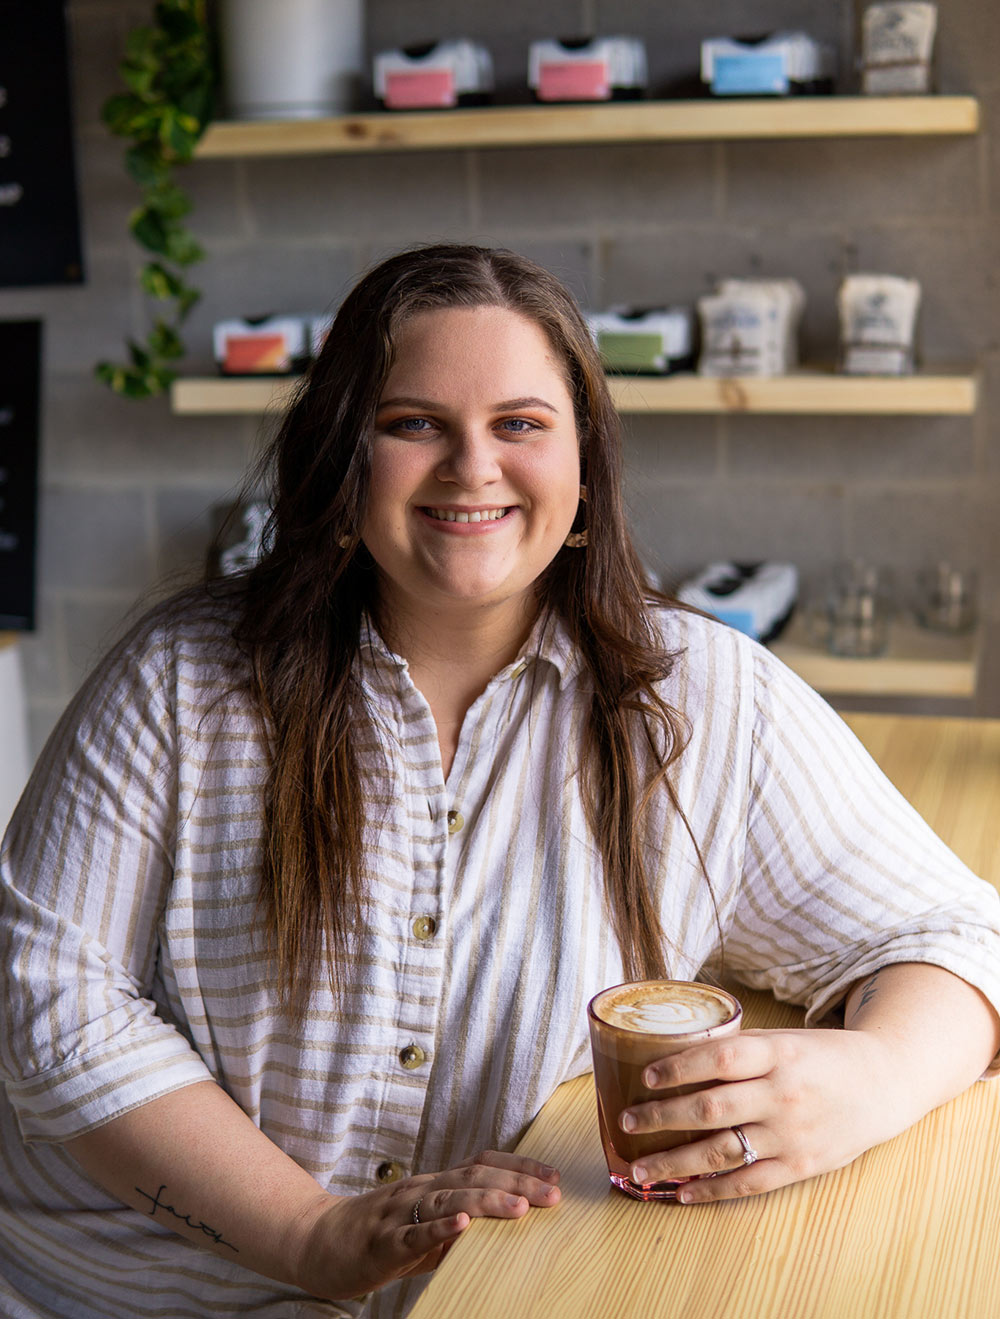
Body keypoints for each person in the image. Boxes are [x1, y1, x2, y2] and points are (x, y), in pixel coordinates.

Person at [1, 243, 998, 1319]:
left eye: (519, 423)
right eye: (413, 422)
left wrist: (877, 1076)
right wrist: (309, 1231)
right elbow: (45, 1002)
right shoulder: (178, 677)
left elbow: (955, 932)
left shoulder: (701, 699)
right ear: (342, 456)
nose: (471, 466)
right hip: (123, 1293)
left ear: (583, 472)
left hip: (470, 1293)